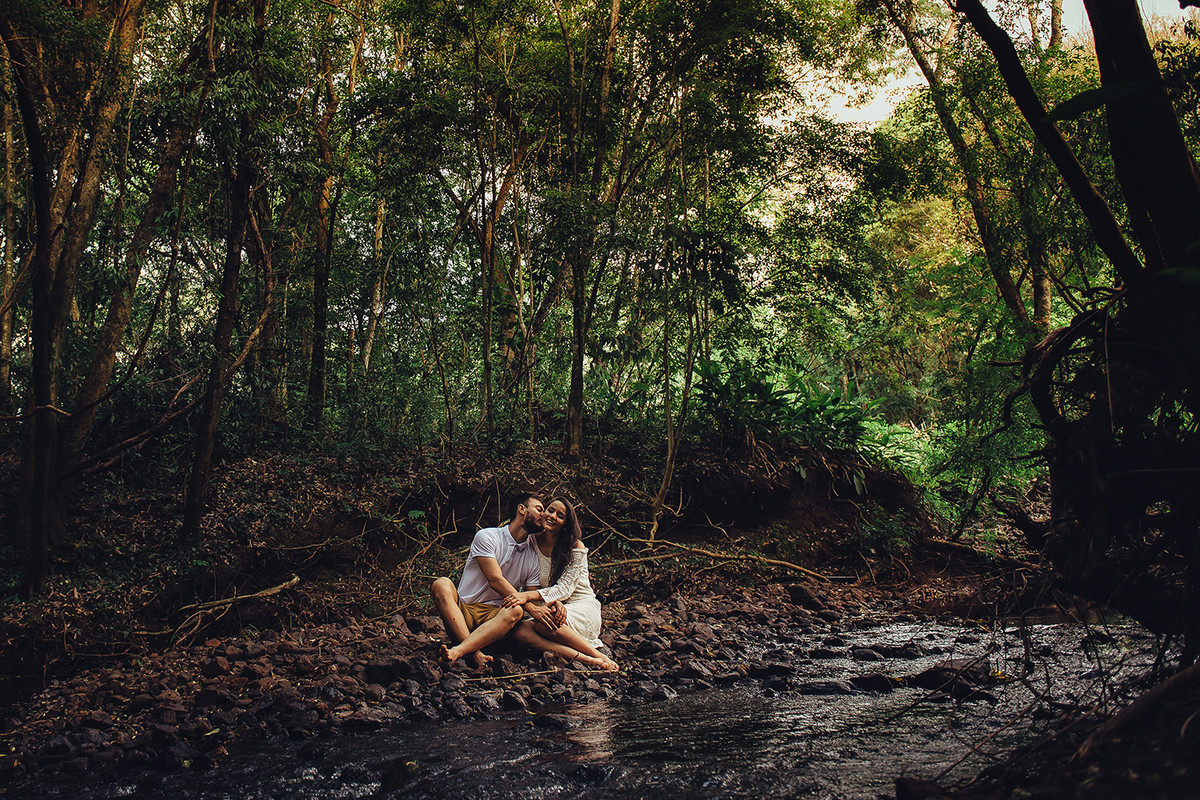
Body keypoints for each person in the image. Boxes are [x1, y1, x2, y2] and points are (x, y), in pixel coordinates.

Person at [430, 492, 560, 668]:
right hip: (463, 613)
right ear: (521, 509)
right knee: (441, 584)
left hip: (496, 620)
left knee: (516, 611)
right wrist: (530, 607)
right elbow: (495, 579)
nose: (543, 515)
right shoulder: (487, 536)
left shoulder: (532, 556)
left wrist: (553, 605)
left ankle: (461, 650)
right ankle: (474, 653)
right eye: (539, 509)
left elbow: (530, 594)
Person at [503, 497, 617, 671]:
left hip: (580, 605)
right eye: (550, 510)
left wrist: (526, 596)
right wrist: (549, 603)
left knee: (544, 623)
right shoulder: (532, 541)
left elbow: (565, 588)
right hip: (550, 604)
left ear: (566, 523)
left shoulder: (575, 546)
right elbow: (531, 582)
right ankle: (582, 658)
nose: (552, 516)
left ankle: (597, 655)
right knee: (519, 631)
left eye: (560, 515)